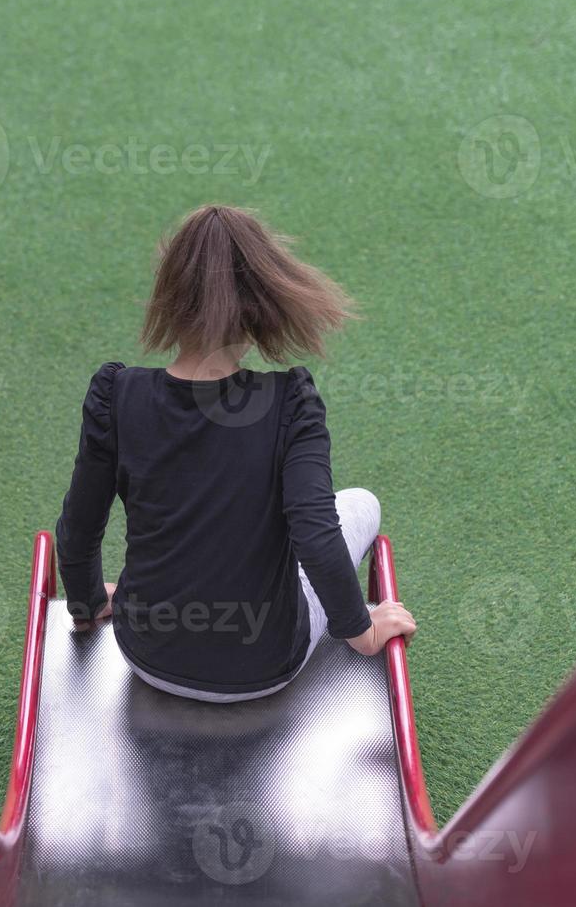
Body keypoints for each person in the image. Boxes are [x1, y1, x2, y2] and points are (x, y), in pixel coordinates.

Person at [55, 204, 417, 703]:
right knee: (362, 504)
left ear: (170, 297)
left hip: (145, 656)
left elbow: (79, 521)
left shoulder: (117, 394)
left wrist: (88, 602)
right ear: (261, 304)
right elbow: (314, 531)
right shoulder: (290, 402)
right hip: (265, 666)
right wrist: (362, 630)